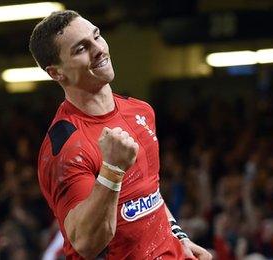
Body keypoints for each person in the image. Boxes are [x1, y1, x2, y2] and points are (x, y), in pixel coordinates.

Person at [30, 10, 212, 259]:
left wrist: (178, 235)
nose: (99, 50)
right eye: (81, 48)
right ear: (56, 73)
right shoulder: (66, 148)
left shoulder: (140, 110)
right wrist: (112, 170)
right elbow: (86, 243)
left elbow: (149, 193)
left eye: (97, 36)